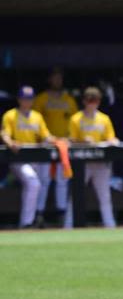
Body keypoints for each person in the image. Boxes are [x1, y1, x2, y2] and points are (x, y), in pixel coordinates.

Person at [2, 86, 60, 229]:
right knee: (33, 183)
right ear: (19, 99)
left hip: (35, 157)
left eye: (29, 98)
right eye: (24, 98)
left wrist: (60, 141)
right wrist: (10, 143)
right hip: (18, 158)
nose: (27, 101)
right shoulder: (10, 115)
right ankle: (26, 223)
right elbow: (4, 134)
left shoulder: (37, 116)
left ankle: (34, 219)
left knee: (43, 182)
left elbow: (46, 136)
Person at [69, 86, 117, 228]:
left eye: (95, 100)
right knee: (75, 195)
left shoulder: (104, 119)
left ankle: (110, 226)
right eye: (89, 100)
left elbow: (111, 138)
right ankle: (68, 225)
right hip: (82, 163)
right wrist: (83, 141)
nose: (92, 103)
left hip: (100, 162)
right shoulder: (76, 119)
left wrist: (112, 141)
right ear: (84, 101)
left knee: (104, 196)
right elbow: (71, 141)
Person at [35, 67, 76, 226]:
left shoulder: (69, 100)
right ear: (49, 79)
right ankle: (39, 215)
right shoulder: (41, 99)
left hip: (64, 145)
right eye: (55, 77)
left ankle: (61, 214)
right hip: (46, 145)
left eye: (60, 77)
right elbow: (36, 122)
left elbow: (75, 120)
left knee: (62, 179)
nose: (57, 80)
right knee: (43, 180)